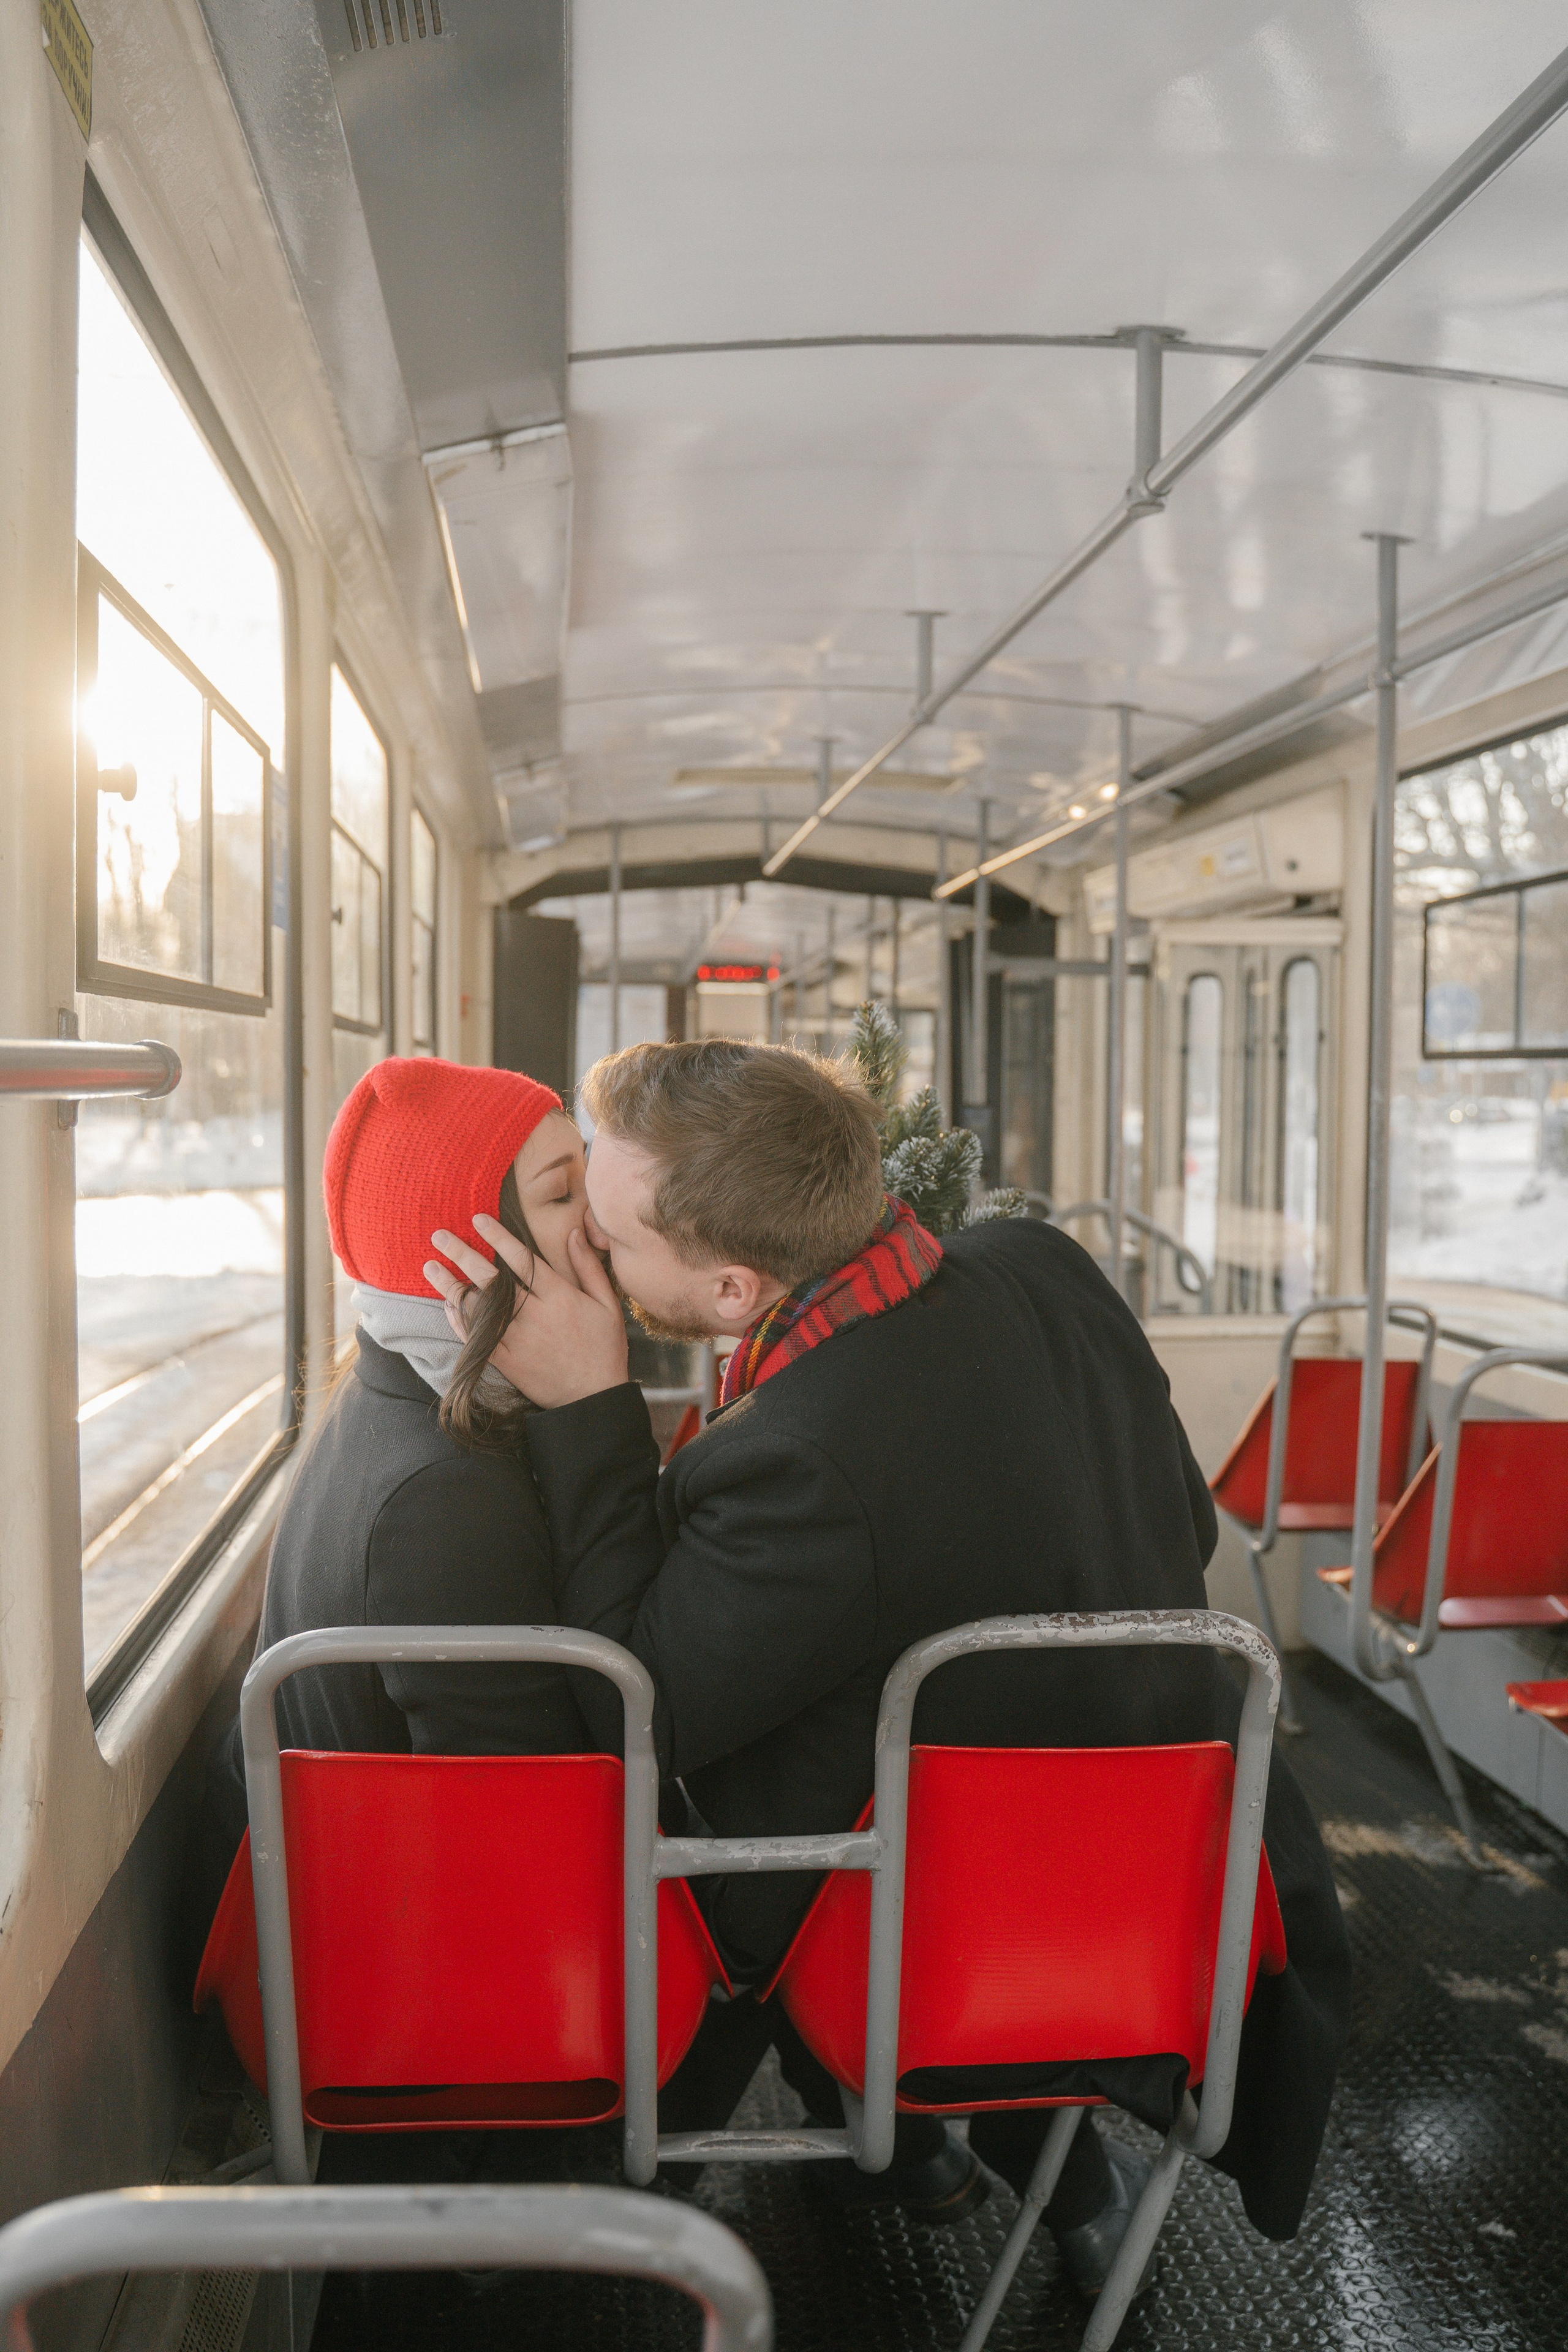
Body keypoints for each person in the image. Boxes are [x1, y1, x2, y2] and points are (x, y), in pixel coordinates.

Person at [428, 1036, 1352, 2299]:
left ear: (737, 1290)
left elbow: (642, 1703)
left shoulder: (799, 1455)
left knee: (743, 1848)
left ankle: (608, 2213)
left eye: (609, 1232)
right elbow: (1179, 1526)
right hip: (1196, 1861)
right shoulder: (1041, 1263)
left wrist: (591, 1405)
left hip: (972, 1928)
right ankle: (989, 2172)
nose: (583, 1244)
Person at [202, 1055, 593, 1886]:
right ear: (467, 1260)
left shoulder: (389, 1398)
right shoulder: (445, 1498)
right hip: (422, 1959)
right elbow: (530, 1810)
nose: (601, 1223)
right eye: (564, 1197)